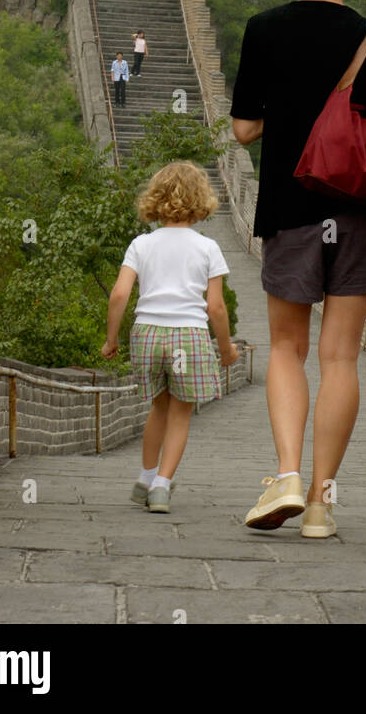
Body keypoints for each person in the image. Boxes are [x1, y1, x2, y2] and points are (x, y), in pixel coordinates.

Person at [231, 0, 366, 538]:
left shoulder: (263, 29)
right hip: (356, 214)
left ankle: (286, 476)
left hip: (290, 208)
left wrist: (291, 113)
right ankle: (323, 505)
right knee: (340, 357)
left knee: (285, 348)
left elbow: (245, 128)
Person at [101, 161, 239, 514]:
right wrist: (225, 349)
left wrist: (111, 339)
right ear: (200, 200)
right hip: (187, 337)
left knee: (158, 407)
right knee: (181, 413)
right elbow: (216, 308)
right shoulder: (207, 247)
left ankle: (146, 477)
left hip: (147, 334)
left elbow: (119, 294)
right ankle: (162, 486)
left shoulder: (141, 244)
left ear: (156, 199)